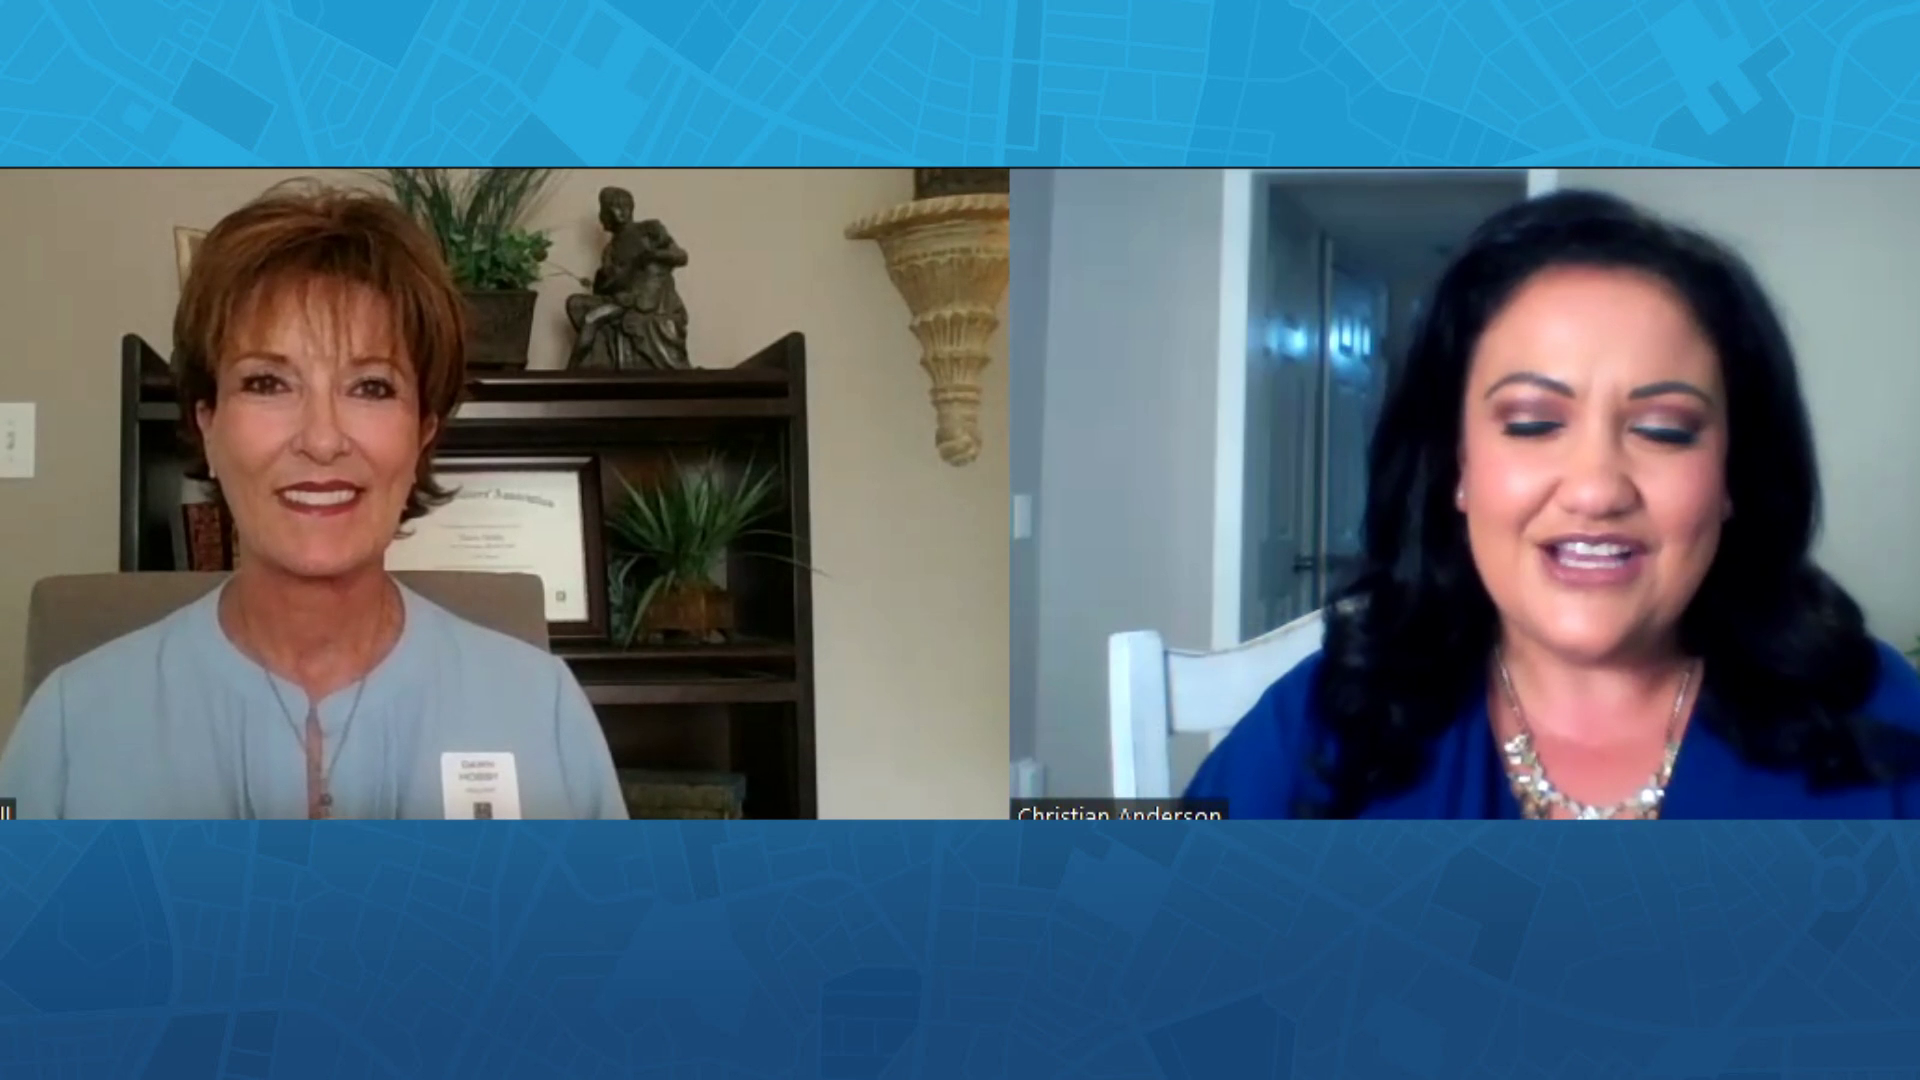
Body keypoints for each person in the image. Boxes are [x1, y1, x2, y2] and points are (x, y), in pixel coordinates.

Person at [1187, 190, 1920, 819]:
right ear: (1458, 466)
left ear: (1731, 473)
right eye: (1533, 424)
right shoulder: (1320, 721)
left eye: (1664, 430)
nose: (1596, 489)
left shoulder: (1878, 720)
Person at [0, 184, 629, 819]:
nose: (322, 439)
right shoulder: (70, 727)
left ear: (422, 435)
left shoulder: (543, 711)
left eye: (371, 386)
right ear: (208, 426)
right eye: (267, 382)